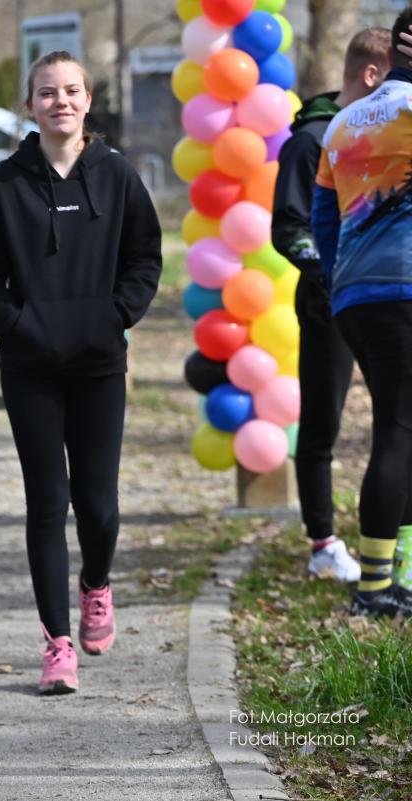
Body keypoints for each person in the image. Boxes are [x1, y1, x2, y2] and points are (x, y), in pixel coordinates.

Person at [0, 51, 162, 694]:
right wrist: (18, 325)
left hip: (100, 363)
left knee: (98, 507)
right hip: (31, 367)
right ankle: (56, 644)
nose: (61, 102)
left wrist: (116, 316)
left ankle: (96, 585)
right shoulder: (6, 182)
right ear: (30, 105)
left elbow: (145, 258)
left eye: (72, 91)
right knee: (48, 503)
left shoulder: (117, 175)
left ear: (87, 99)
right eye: (48, 93)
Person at [272, 28, 388, 583]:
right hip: (328, 304)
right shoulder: (310, 141)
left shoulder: (390, 134)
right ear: (371, 75)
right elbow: (288, 229)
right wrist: (335, 276)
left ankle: (391, 541)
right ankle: (323, 544)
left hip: (388, 301)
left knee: (397, 422)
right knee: (322, 424)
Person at [310, 7, 412, 619]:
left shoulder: (344, 121)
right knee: (398, 431)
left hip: (355, 294)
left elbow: (323, 218)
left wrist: (342, 278)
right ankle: (375, 589)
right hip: (404, 289)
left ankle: (396, 572)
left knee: (400, 426)